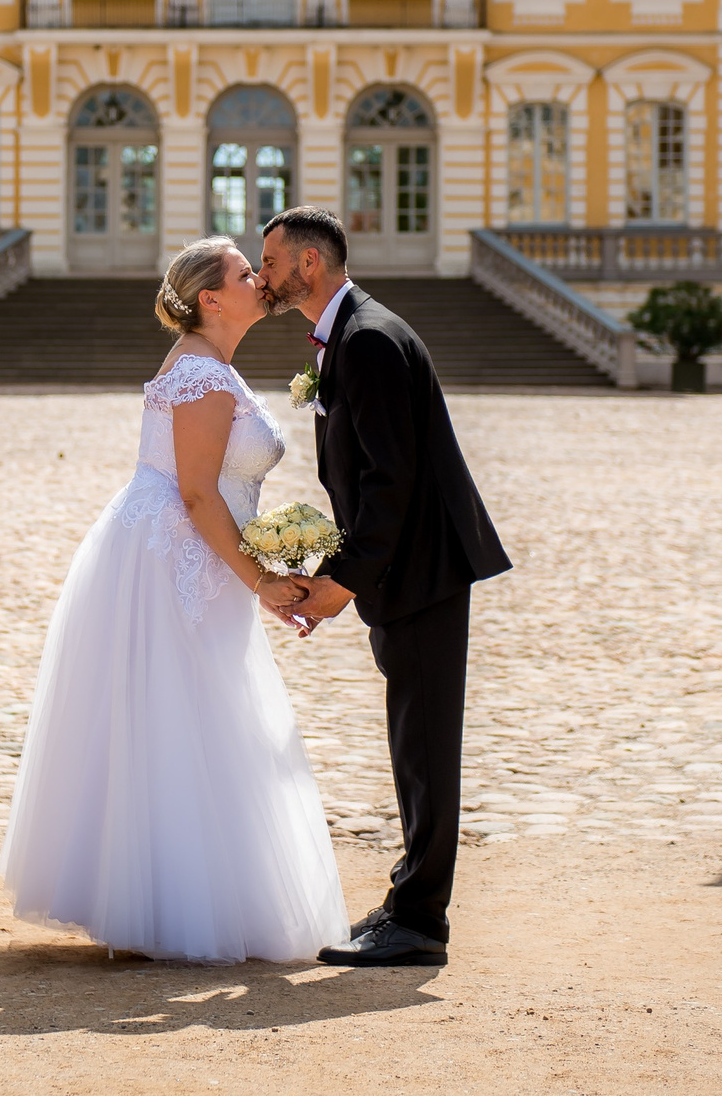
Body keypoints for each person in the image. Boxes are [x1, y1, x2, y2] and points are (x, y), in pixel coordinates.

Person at [0, 236, 349, 963]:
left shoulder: (212, 365)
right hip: (174, 557)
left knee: (186, 716)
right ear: (212, 298)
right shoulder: (200, 374)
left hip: (192, 551)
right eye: (247, 271)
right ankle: (170, 900)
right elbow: (194, 493)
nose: (262, 277)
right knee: (184, 715)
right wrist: (262, 577)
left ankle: (165, 893)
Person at [256, 205, 510, 968]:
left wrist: (339, 585)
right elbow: (374, 478)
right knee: (414, 742)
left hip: (421, 568)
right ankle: (410, 899)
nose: (261, 275)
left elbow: (390, 484)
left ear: (308, 265)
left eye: (269, 262)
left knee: (426, 745)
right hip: (412, 567)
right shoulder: (354, 332)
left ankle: (421, 920)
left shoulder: (365, 339)